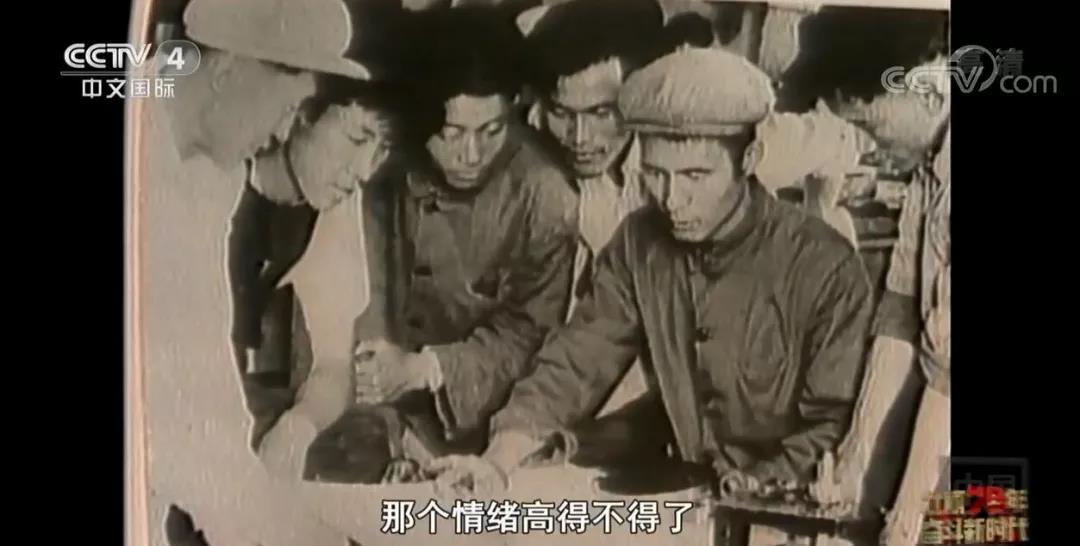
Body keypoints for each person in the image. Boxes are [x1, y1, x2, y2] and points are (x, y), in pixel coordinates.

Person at [428, 47, 875, 499]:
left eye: (695, 176)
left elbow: (832, 425)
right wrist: (498, 460)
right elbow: (577, 361)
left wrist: (757, 484)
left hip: (786, 507)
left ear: (748, 159)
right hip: (685, 492)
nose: (672, 199)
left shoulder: (825, 266)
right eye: (656, 175)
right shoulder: (638, 242)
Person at [264, 5, 579, 483]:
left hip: (479, 426)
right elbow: (345, 314)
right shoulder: (376, 163)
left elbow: (531, 336)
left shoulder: (548, 196)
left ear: (515, 107)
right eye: (450, 133)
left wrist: (425, 369)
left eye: (491, 131)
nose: (471, 155)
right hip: (363, 416)